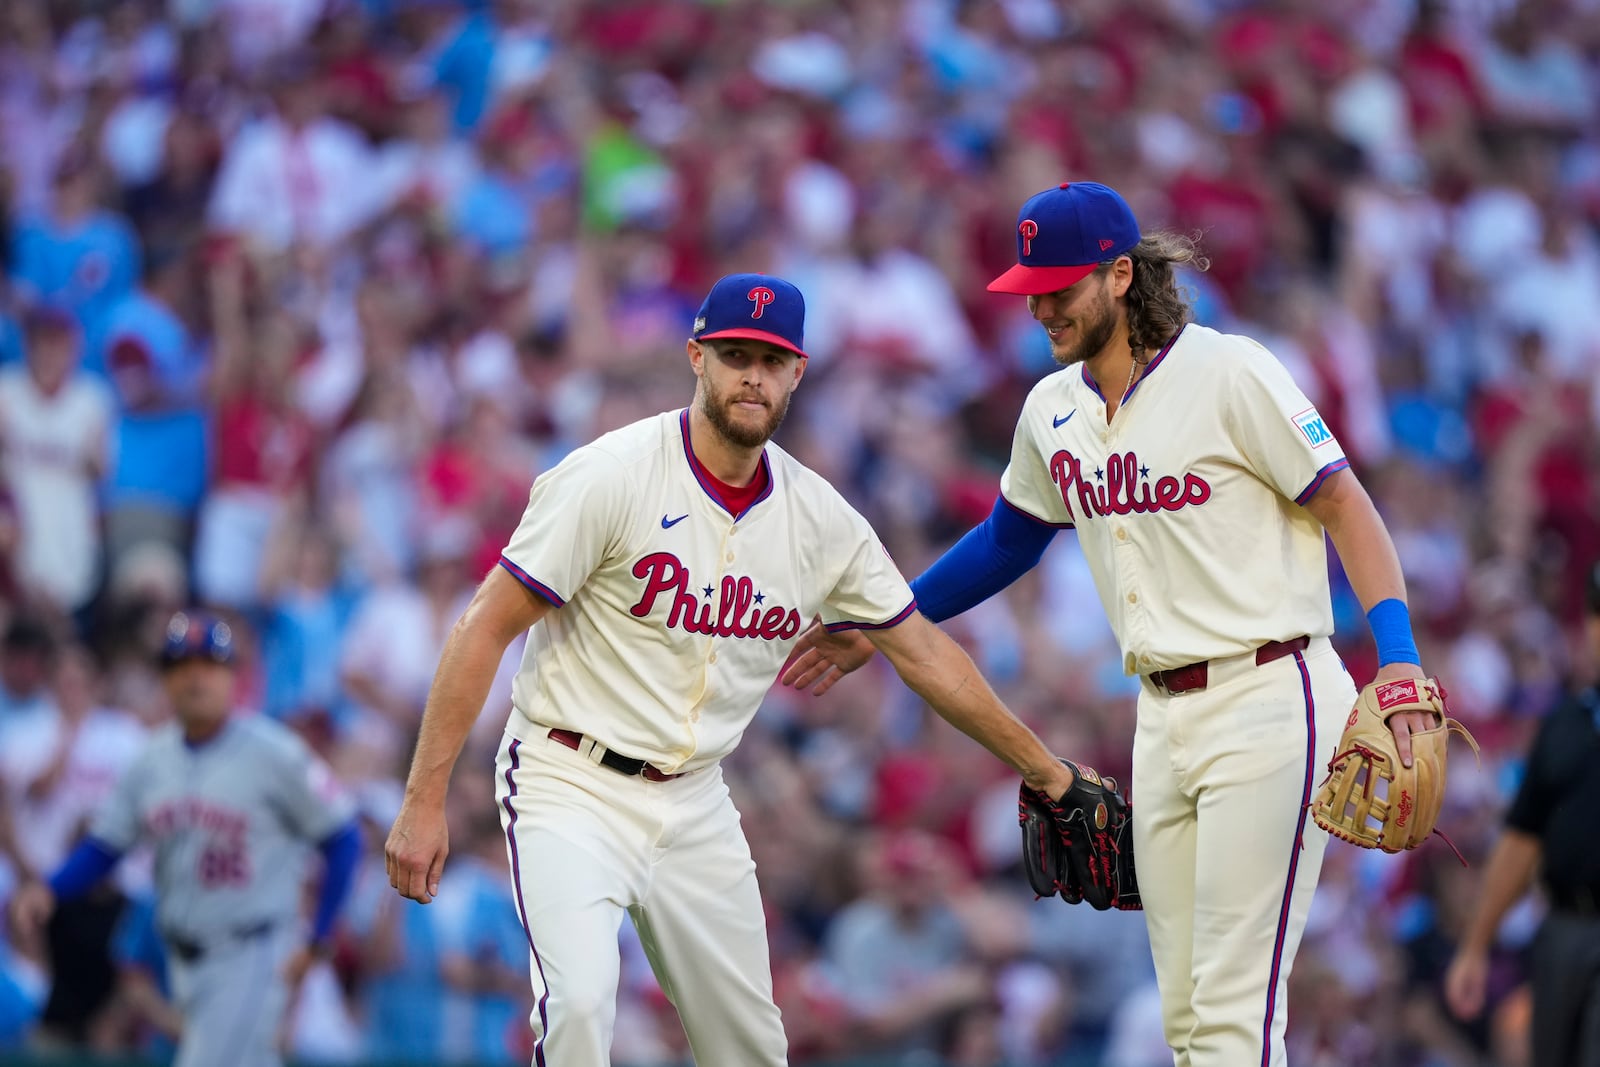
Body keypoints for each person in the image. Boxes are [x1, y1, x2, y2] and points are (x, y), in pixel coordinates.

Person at [782, 182, 1441, 1067]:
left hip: (1272, 692)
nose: (1043, 306)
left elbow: (1347, 507)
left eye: (1061, 285)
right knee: (1187, 1019)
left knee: (1235, 1013)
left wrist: (1395, 660)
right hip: (1161, 718)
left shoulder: (1229, 371)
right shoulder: (1052, 409)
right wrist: (889, 620)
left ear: (1121, 275)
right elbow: (1008, 540)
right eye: (1032, 289)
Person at [383, 272, 1077, 1066]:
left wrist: (1047, 771)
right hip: (568, 775)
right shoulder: (611, 473)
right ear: (696, 358)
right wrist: (423, 799)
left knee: (750, 1046)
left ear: (798, 373)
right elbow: (483, 629)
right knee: (577, 1007)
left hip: (696, 798)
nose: (753, 374)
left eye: (771, 359)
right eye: (734, 354)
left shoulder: (820, 517)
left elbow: (927, 655)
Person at [6, 611, 364, 1067]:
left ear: (232, 677)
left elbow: (343, 834)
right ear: (165, 680)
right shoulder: (149, 759)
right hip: (181, 961)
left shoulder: (275, 753)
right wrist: (48, 889)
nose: (195, 678)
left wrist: (321, 932)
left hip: (252, 951)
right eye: (180, 666)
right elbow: (105, 847)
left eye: (209, 665)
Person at [1444, 560, 1600, 1067]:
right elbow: (1522, 840)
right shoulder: (1564, 724)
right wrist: (1476, 943)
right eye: (1596, 617)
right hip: (1562, 929)